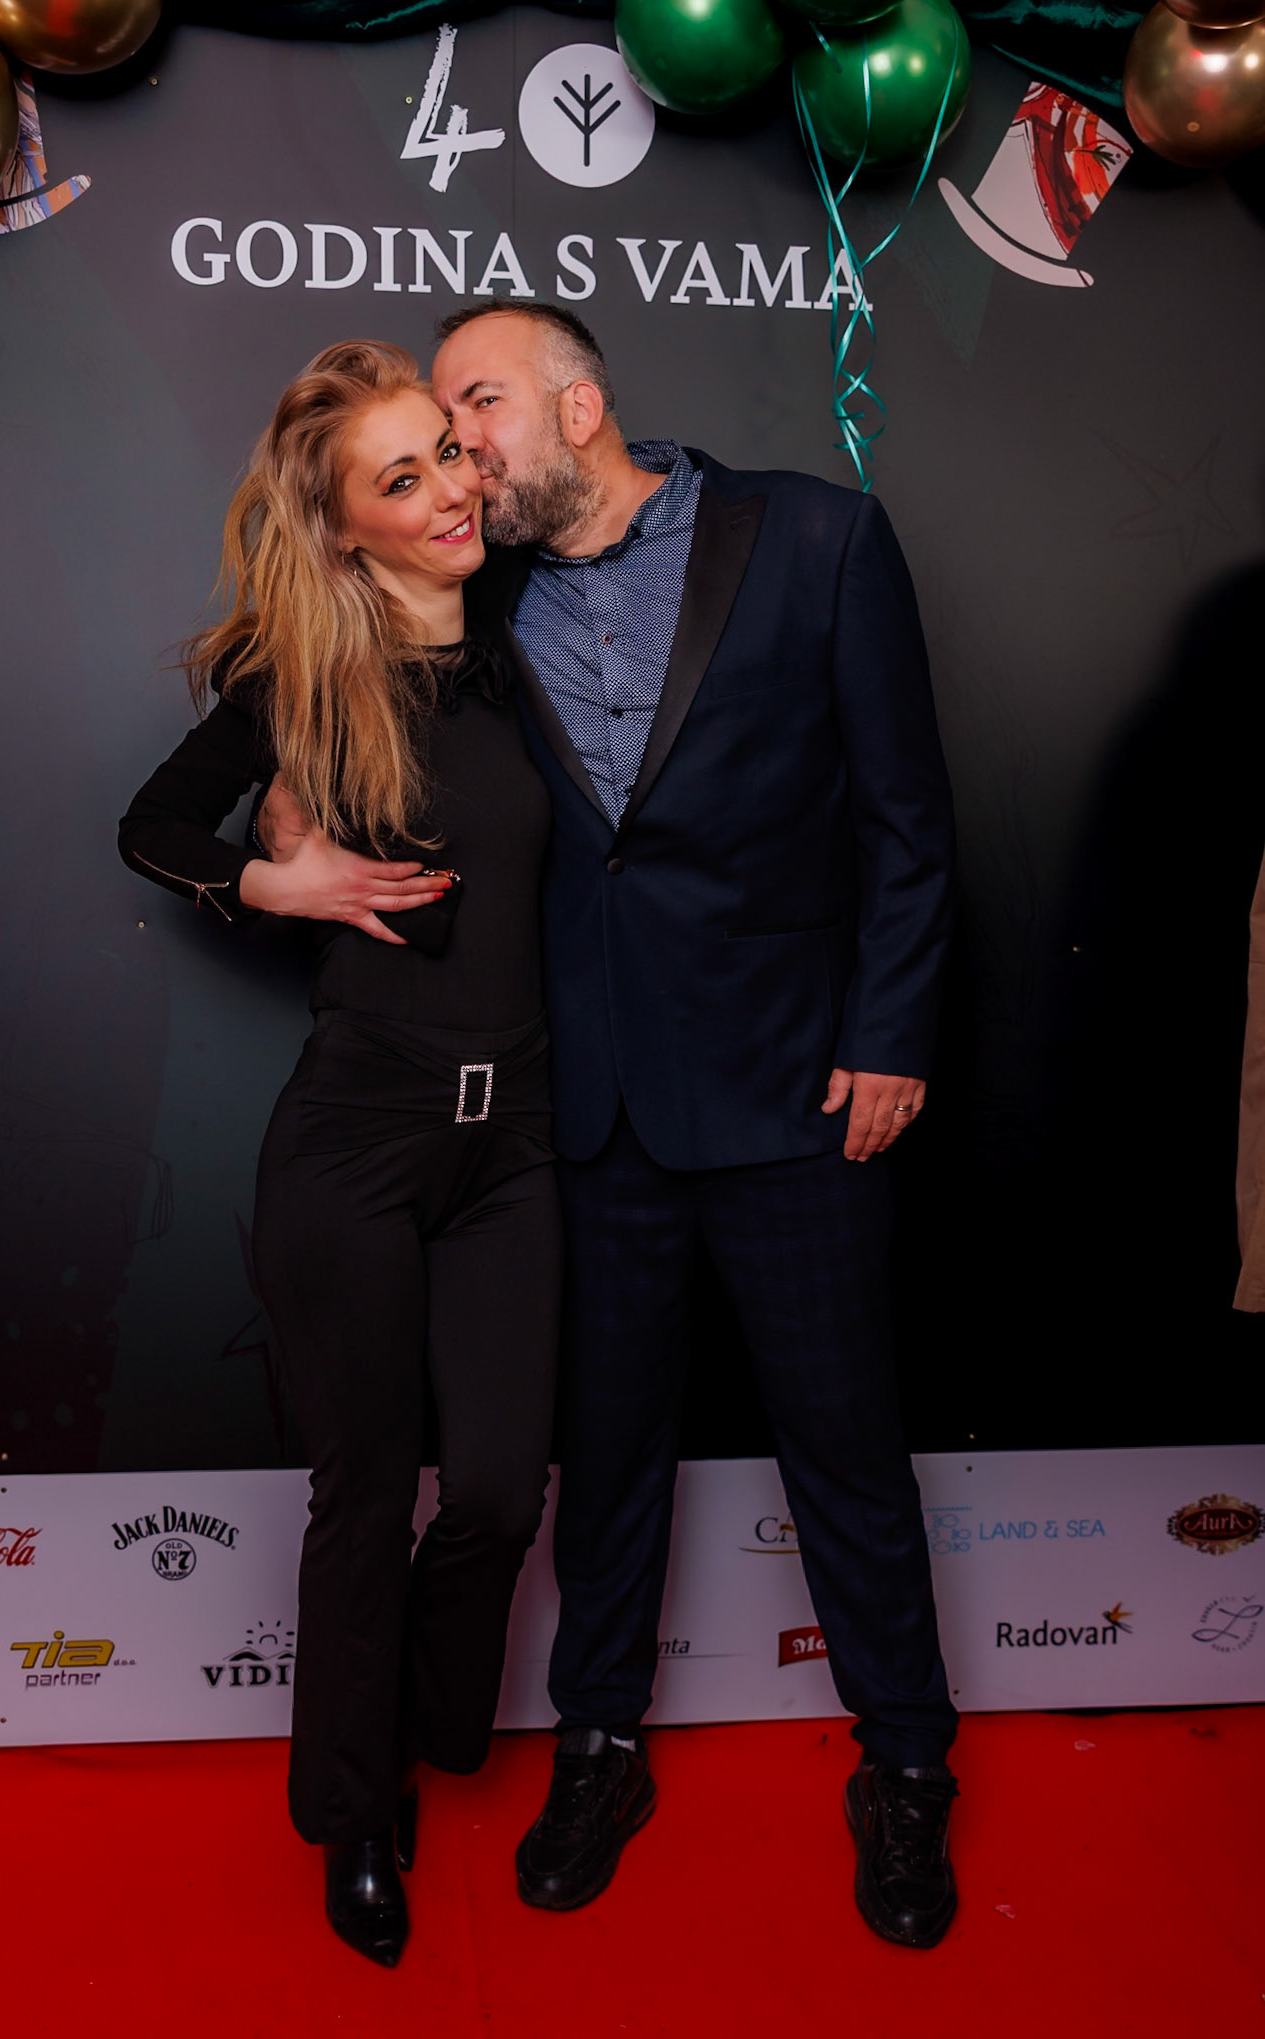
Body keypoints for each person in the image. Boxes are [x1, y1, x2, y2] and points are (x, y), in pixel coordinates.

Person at [261, 305, 962, 1948]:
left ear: (577, 408)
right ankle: (597, 1747)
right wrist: (277, 838)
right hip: (586, 1114)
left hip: (797, 1095)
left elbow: (906, 818)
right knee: (608, 1467)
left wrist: (888, 1038)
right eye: (438, 426)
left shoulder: (814, 537)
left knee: (847, 1452)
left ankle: (906, 1764)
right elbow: (324, 679)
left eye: (477, 405)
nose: (457, 447)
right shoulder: (474, 594)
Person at [118, 340, 561, 1970]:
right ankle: (355, 1815)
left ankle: (434, 1722)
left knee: (498, 1488)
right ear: (344, 527)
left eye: (447, 448)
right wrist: (271, 883)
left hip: (516, 1142)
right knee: (364, 1496)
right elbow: (151, 827)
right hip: (358, 1140)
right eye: (402, 477)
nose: (449, 489)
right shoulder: (301, 677)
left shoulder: (532, 640)